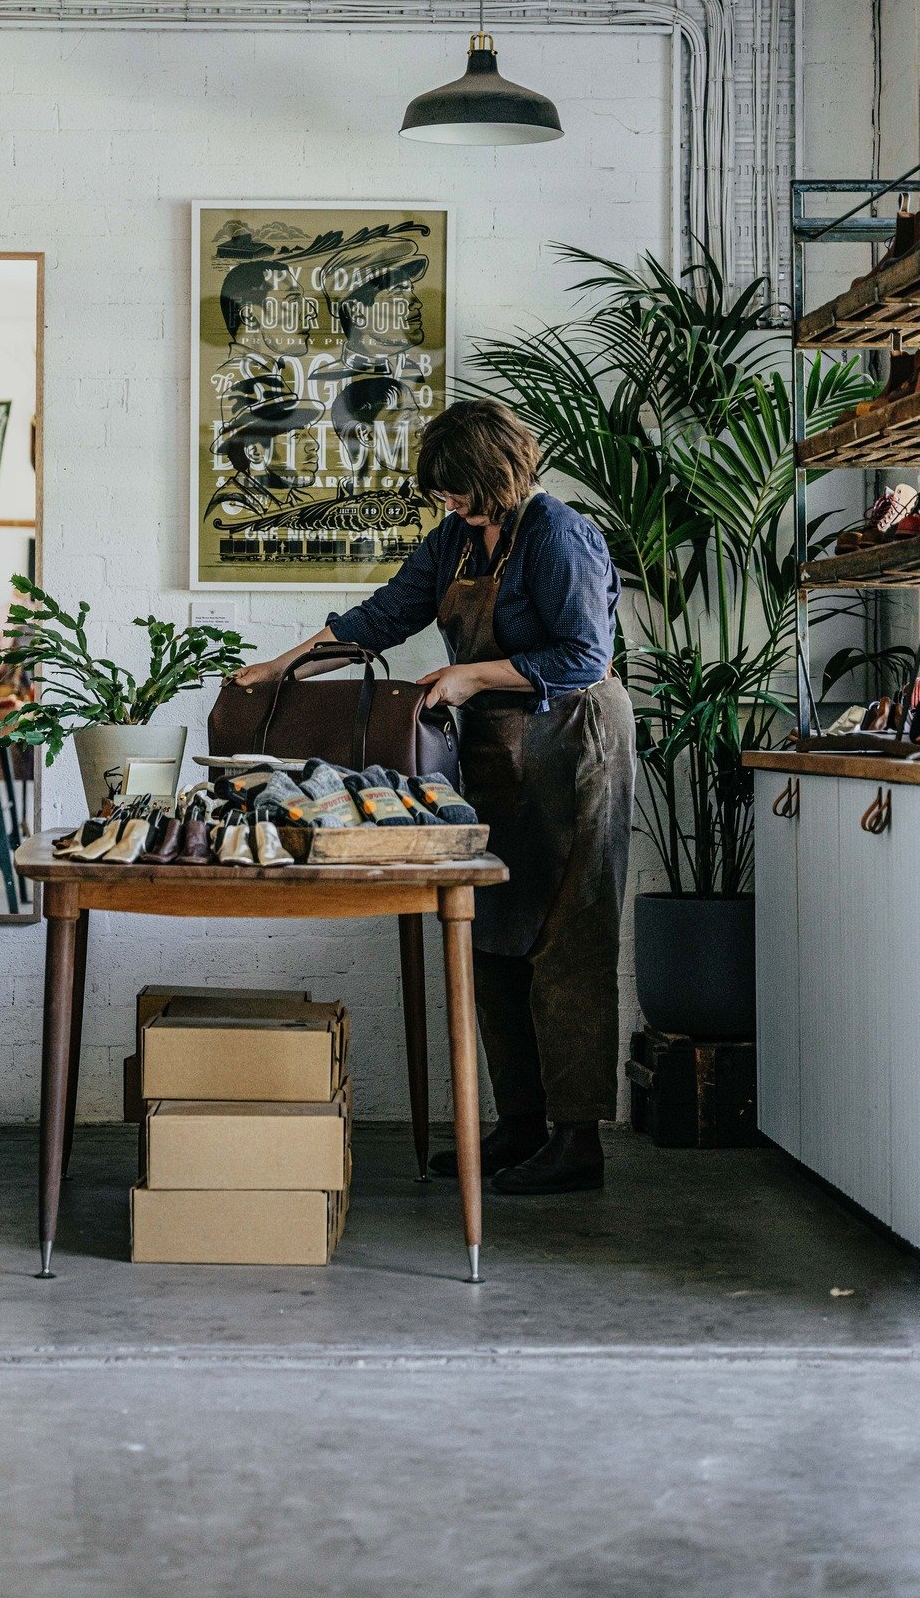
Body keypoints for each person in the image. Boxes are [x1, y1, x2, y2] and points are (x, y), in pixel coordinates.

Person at [233, 399, 635, 1193]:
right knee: (489, 933)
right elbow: (380, 617)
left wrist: (469, 675)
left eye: (455, 487)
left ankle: (575, 1140)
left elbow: (585, 655)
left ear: (494, 472)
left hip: (574, 748)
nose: (444, 501)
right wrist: (280, 669)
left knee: (566, 941)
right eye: (439, 490)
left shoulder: (557, 534)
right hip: (496, 751)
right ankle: (518, 1124)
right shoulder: (455, 539)